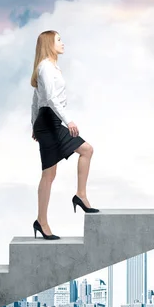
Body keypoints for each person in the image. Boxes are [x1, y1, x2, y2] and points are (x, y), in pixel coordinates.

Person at [30, 30, 99, 240]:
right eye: (59, 40)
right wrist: (67, 120)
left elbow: (36, 98)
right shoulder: (44, 68)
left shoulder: (52, 68)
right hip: (50, 120)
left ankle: (81, 195)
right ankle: (41, 221)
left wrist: (34, 124)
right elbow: (48, 98)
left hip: (50, 120)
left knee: (85, 151)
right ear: (49, 43)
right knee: (49, 175)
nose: (62, 43)